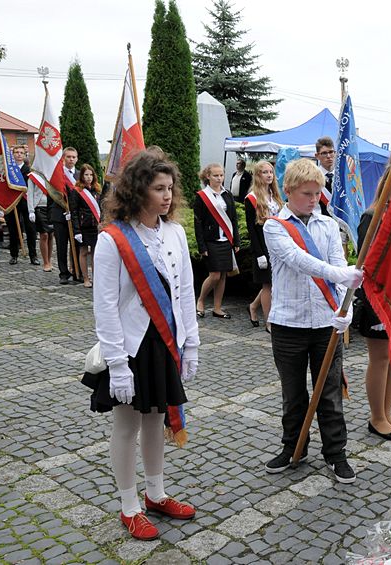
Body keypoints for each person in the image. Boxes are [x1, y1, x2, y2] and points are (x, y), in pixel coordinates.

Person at [83, 146, 199, 541]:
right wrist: (117, 364)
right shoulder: (113, 239)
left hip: (165, 342)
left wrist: (191, 343)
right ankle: (129, 506)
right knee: (126, 426)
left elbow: (185, 292)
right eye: (158, 188)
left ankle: (156, 494)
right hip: (131, 347)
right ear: (138, 191)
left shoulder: (175, 232)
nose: (167, 196)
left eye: (170, 188)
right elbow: (105, 305)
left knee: (156, 419)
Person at [262, 158, 363, 483]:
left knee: (330, 394)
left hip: (325, 323)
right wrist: (340, 274)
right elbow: (298, 260)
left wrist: (346, 311)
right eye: (307, 193)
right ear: (289, 191)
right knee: (293, 395)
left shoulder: (328, 226)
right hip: (287, 324)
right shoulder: (274, 226)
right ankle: (294, 447)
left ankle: (336, 453)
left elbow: (340, 267)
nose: (314, 199)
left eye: (318, 193)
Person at [357, 159, 391, 442]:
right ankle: (376, 417)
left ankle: (387, 414)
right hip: (376, 297)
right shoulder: (373, 216)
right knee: (379, 359)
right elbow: (368, 261)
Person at [194, 163, 240, 319]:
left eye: (221, 175)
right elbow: (198, 223)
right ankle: (201, 301)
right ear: (208, 176)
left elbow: (233, 219)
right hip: (211, 241)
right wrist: (202, 246)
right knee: (214, 275)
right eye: (216, 175)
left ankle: (217, 308)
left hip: (226, 240)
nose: (219, 178)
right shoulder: (202, 196)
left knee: (223, 276)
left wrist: (236, 241)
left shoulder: (227, 194)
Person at [244, 160, 282, 333]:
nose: (269, 175)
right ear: (258, 175)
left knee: (275, 282)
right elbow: (252, 230)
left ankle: (253, 306)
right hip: (263, 246)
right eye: (265, 172)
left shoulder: (275, 195)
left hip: (278, 244)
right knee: (268, 285)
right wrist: (259, 253)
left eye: (271, 172)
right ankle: (269, 322)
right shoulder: (251, 198)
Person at [49, 147, 81, 284]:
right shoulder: (57, 175)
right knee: (61, 245)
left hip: (76, 217)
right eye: (68, 157)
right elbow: (51, 195)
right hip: (60, 215)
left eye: (73, 157)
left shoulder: (80, 175)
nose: (71, 159)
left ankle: (77, 272)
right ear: (63, 158)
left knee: (77, 245)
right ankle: (63, 273)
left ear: (77, 159)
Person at [70, 164, 102, 288]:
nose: (89, 177)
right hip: (83, 226)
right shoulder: (77, 191)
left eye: (91, 175)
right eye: (86, 175)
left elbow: (100, 209)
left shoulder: (97, 190)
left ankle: (95, 277)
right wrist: (77, 230)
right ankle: (85, 278)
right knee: (83, 251)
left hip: (95, 226)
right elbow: (74, 212)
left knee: (95, 253)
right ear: (82, 176)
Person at [6, 146, 38, 265]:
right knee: (13, 229)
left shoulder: (29, 170)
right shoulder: (9, 170)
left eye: (21, 153)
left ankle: (33, 256)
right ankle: (14, 255)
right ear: (13, 155)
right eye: (16, 152)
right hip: (13, 203)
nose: (19, 154)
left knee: (31, 230)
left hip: (26, 202)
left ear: (25, 155)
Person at [26, 150, 54, 272]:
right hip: (39, 207)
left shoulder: (52, 173)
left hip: (51, 207)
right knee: (44, 234)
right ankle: (45, 262)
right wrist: (31, 210)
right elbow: (30, 193)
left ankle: (49, 259)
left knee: (51, 234)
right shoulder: (33, 176)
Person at [314, 137, 335, 217]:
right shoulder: (313, 177)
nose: (328, 156)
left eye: (331, 152)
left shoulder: (341, 177)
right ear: (317, 156)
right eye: (324, 153)